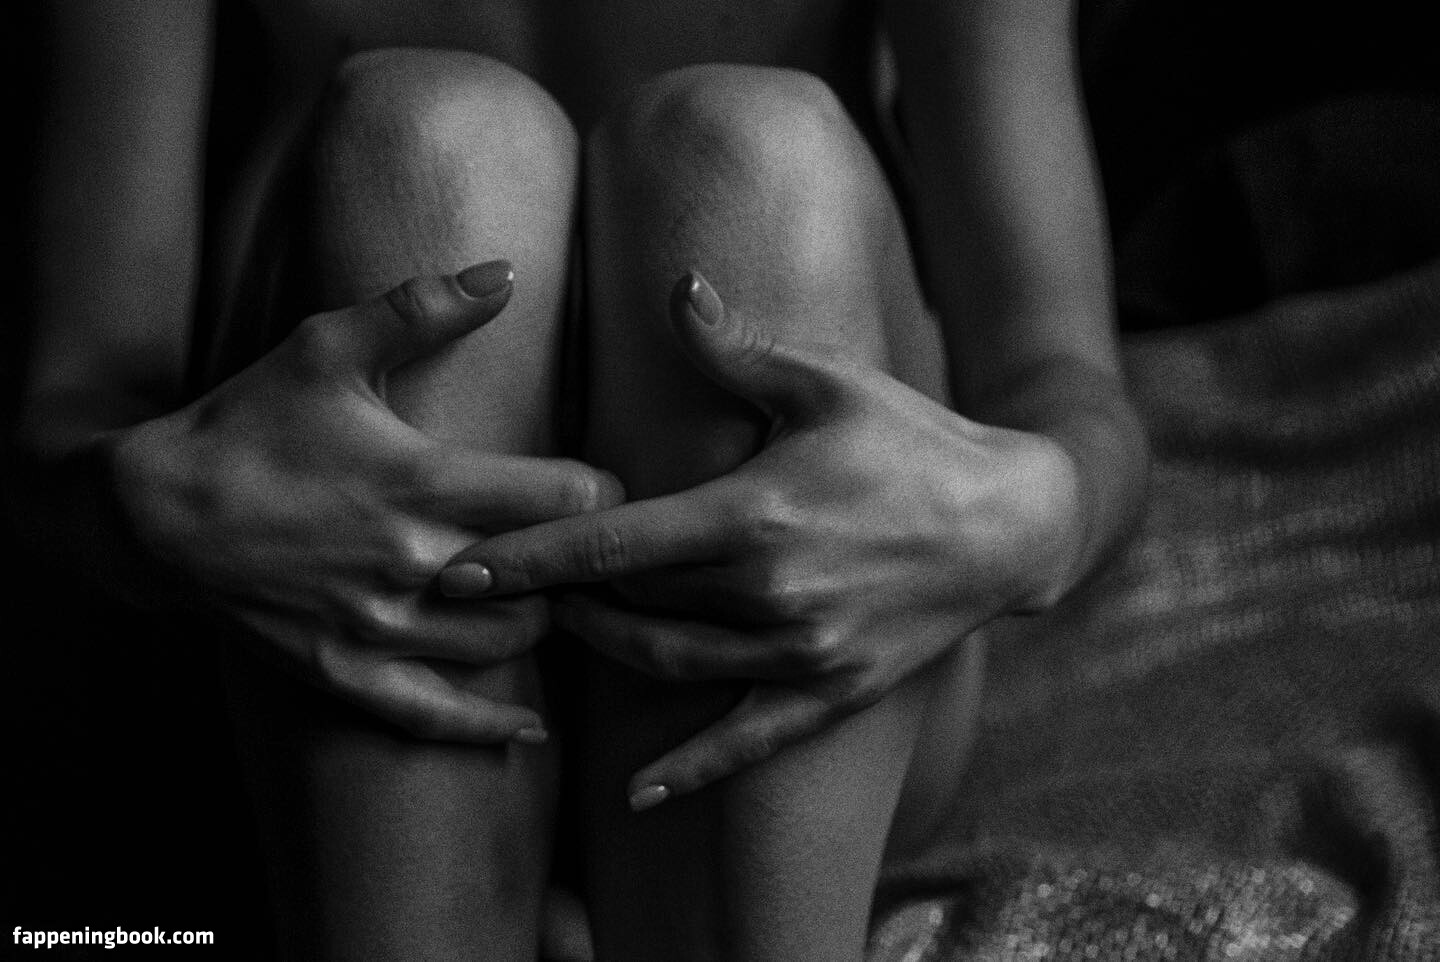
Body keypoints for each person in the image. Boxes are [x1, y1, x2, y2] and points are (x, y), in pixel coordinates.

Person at [12, 0, 1148, 959]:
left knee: (744, 153)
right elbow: (75, 404)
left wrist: (1040, 515)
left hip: (822, 644)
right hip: (309, 636)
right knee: (429, 138)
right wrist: (145, 505)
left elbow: (1060, 379)